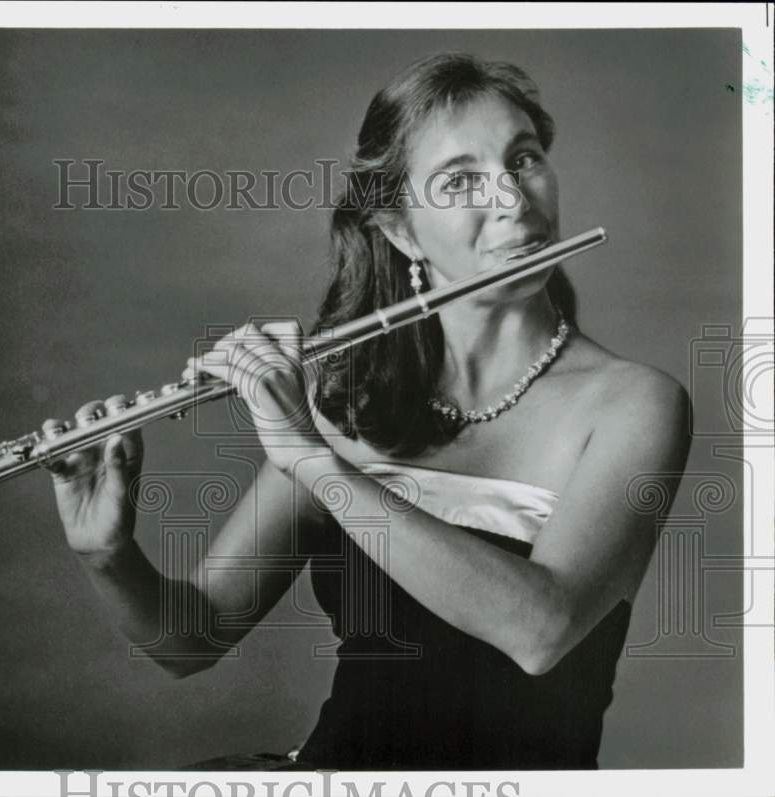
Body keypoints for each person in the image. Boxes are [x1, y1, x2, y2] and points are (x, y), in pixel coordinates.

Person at [42, 53, 692, 770]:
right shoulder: (349, 401)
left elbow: (542, 628)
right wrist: (106, 552)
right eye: (462, 179)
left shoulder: (636, 403)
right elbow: (188, 640)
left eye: (524, 157)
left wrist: (317, 463)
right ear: (402, 229)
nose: (513, 196)